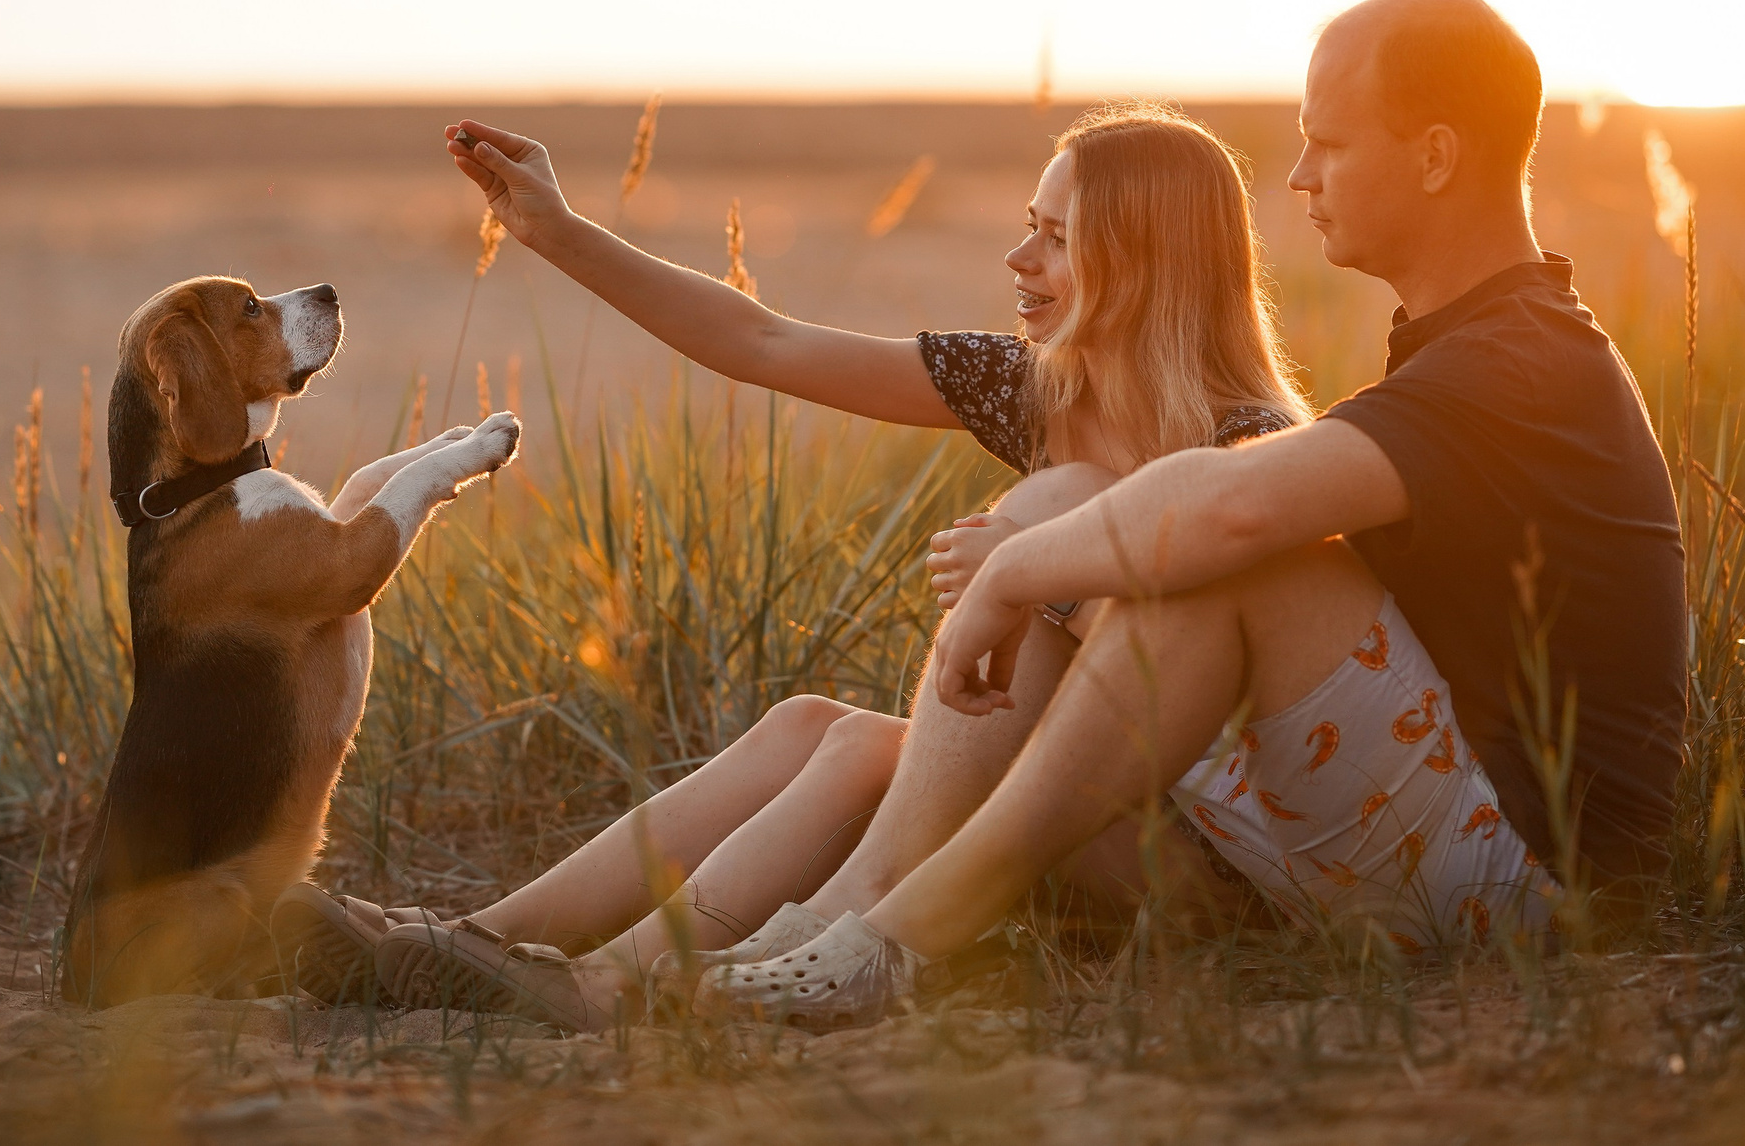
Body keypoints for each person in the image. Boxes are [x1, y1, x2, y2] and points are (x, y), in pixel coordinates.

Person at [699, 0, 1688, 1031]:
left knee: (1224, 553)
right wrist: (1048, 550)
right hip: (1411, 848)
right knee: (1085, 523)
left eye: (1329, 143)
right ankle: (826, 929)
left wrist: (1014, 568)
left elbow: (1234, 511)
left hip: (1537, 888)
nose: (1301, 176)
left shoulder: (1518, 359)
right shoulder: (1470, 344)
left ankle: (889, 943)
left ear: (1435, 157)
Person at [308, 102, 1336, 1027]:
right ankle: (465, 944)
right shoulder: (1036, 389)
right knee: (821, 730)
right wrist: (559, 232)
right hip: (1051, 820)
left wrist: (1055, 570)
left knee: (1013, 566)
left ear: (1147, 260)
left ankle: (609, 985)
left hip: (1205, 865)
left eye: (1057, 239)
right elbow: (766, 342)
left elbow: (1229, 674)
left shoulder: (1251, 448)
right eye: (1029, 224)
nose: (1019, 258)